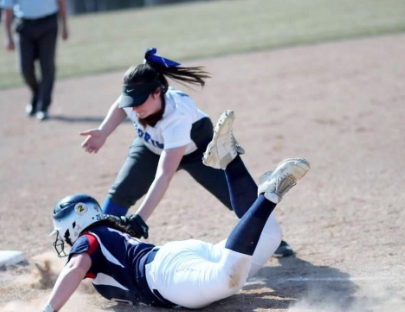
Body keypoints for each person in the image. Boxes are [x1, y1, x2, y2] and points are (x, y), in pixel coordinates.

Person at [38, 113, 310, 312]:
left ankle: (268, 197)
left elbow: (75, 267)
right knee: (271, 234)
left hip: (166, 277)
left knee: (228, 280)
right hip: (178, 259)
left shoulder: (89, 240)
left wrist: (48, 310)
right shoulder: (106, 233)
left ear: (74, 224)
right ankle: (230, 158)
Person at [79, 48, 294, 257]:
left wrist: (140, 219)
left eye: (137, 102)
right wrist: (104, 131)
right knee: (121, 191)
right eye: (130, 101)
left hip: (198, 150)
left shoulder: (177, 116)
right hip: (151, 146)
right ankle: (98, 244)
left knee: (235, 194)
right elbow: (120, 105)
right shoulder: (136, 101)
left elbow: (164, 176)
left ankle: (270, 238)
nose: (133, 108)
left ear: (158, 92)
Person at [0, 0, 69, 121]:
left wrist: (64, 26)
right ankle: (37, 94)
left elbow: (61, 2)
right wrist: (8, 37)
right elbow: (7, 10)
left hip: (48, 23)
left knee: (47, 67)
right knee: (24, 68)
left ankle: (43, 106)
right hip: (24, 25)